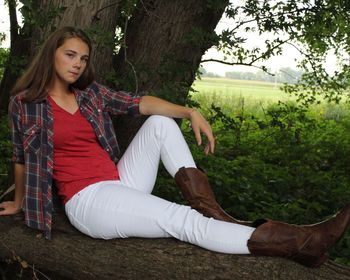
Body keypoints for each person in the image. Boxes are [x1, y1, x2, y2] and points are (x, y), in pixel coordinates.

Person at [0, 26, 349, 268]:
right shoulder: (25, 104)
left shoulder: (89, 94)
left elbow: (140, 103)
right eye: (70, 55)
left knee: (160, 123)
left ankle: (216, 215)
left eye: (84, 58)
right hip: (88, 201)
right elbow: (20, 155)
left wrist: (189, 111)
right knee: (180, 219)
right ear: (53, 56)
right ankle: (302, 244)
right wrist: (18, 202)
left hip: (119, 182)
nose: (77, 64)